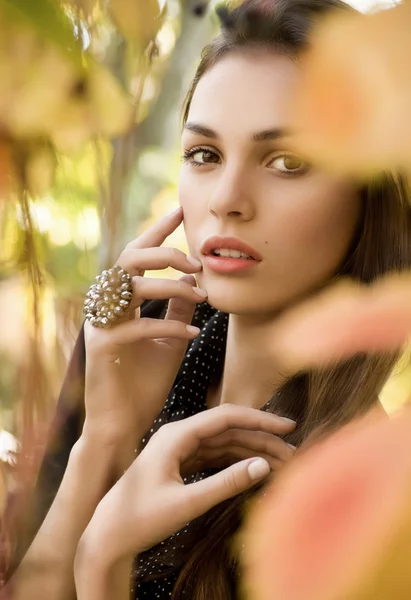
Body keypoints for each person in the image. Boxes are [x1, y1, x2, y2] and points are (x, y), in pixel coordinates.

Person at [6, 0, 411, 598]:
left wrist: (103, 562)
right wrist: (108, 433)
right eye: (205, 155)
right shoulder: (136, 337)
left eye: (287, 161)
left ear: (369, 195)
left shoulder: (368, 497)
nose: (227, 198)